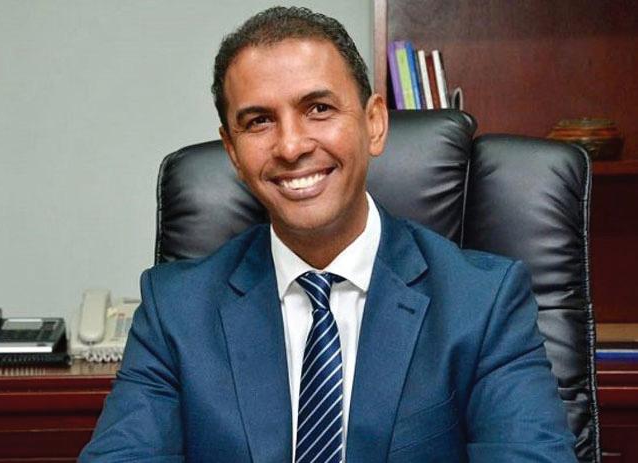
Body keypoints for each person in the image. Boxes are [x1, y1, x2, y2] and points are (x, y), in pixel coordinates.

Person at [79, 6, 576, 462]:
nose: (291, 146)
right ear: (232, 152)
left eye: (318, 108)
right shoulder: (175, 310)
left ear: (374, 123)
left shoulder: (482, 303)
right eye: (259, 121)